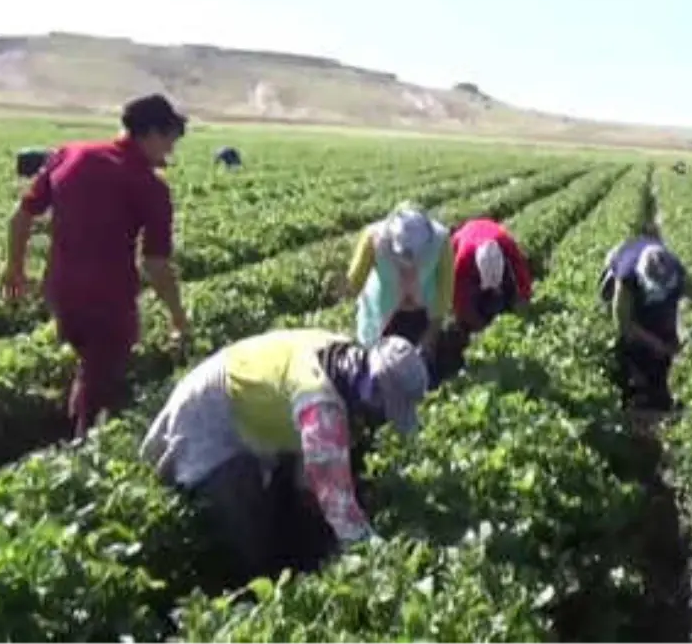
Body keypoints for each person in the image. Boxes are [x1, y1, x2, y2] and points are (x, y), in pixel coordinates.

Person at [139, 330, 430, 586]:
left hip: (241, 389)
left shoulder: (344, 352)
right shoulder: (320, 406)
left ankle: (290, 555)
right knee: (248, 524)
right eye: (385, 408)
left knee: (294, 504)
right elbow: (340, 509)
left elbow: (316, 474)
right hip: (209, 416)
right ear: (372, 391)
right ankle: (258, 589)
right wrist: (384, 559)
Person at [1, 93, 190, 439]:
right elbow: (156, 265)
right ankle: (82, 451)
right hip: (109, 300)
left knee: (88, 362)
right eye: (169, 141)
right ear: (150, 133)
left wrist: (15, 268)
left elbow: (21, 215)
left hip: (59, 291)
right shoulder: (150, 187)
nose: (169, 153)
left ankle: (68, 426)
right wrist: (178, 318)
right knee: (101, 382)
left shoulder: (71, 154)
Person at [600, 233, 692, 418]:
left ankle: (660, 388)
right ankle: (635, 389)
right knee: (632, 346)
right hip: (622, 276)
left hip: (653, 288)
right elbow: (624, 325)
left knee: (662, 328)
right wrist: (656, 344)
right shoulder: (627, 277)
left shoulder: (676, 271)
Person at [347, 203, 454, 350]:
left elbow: (444, 291)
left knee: (418, 360)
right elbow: (355, 280)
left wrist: (431, 335)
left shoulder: (441, 239)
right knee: (376, 359)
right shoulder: (373, 237)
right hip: (381, 312)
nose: (409, 265)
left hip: (423, 313)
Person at [451, 218, 532, 334]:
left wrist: (523, 304)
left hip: (490, 228)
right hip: (466, 236)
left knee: (505, 296)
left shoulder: (506, 244)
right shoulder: (462, 260)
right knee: (468, 310)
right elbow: (459, 301)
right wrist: (482, 328)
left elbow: (522, 276)